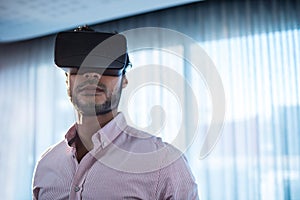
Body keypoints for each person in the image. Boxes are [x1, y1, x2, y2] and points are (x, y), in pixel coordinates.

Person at [32, 26, 199, 200]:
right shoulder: (46, 164)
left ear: (124, 79)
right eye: (79, 67)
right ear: (67, 80)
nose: (92, 75)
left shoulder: (164, 163)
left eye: (105, 65)